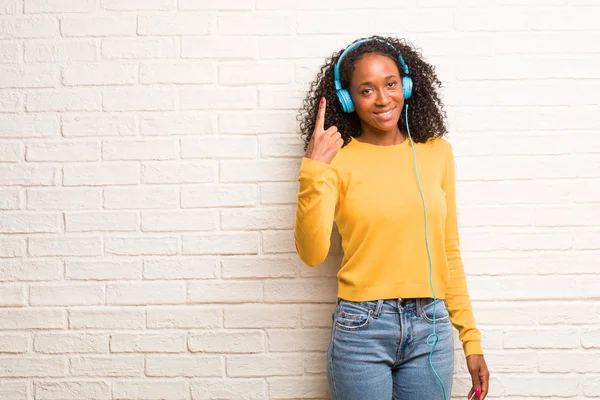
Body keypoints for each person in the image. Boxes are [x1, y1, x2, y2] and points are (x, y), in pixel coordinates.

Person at [293, 35, 490, 400]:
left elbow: (448, 251)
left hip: (431, 324)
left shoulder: (436, 154)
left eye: (391, 84)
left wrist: (471, 339)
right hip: (361, 328)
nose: (383, 99)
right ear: (349, 99)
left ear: (408, 86)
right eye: (366, 90)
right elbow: (312, 253)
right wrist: (313, 171)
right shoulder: (337, 160)